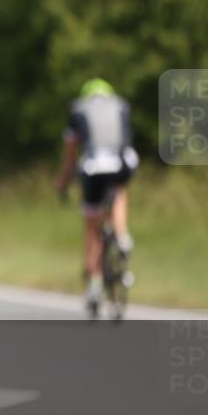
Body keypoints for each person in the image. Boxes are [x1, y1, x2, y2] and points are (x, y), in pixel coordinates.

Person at [55, 78, 138, 316]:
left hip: (92, 166)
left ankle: (93, 284)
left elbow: (70, 157)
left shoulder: (77, 110)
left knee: (92, 226)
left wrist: (62, 183)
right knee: (119, 192)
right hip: (122, 162)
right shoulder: (121, 105)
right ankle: (122, 236)